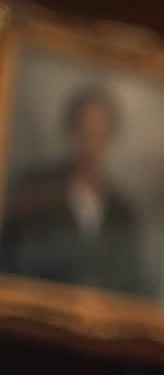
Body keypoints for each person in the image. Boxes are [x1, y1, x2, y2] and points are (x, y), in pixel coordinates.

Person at [0, 85, 150, 298]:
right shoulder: (35, 190)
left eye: (100, 133)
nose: (91, 143)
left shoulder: (124, 211)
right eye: (84, 131)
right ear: (71, 132)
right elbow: (12, 263)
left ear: (110, 138)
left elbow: (132, 285)